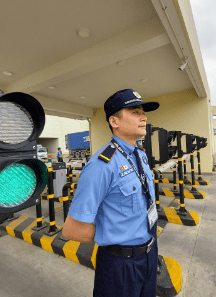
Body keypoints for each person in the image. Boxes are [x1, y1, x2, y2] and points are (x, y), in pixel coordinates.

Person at [62, 89, 160, 297]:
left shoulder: (140, 156)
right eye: (135, 112)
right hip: (120, 266)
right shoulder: (102, 164)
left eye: (143, 112)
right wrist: (115, 235)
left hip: (150, 254)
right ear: (114, 121)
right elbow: (71, 230)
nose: (143, 117)